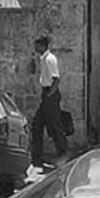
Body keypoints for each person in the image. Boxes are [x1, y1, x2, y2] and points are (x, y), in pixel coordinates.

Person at [29, 34, 68, 172]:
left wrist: (49, 95)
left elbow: (56, 79)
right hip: (46, 94)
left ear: (43, 46)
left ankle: (64, 155)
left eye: (37, 45)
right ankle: (37, 157)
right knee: (37, 124)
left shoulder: (50, 59)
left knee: (55, 125)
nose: (35, 47)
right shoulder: (42, 59)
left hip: (50, 95)